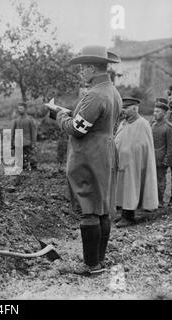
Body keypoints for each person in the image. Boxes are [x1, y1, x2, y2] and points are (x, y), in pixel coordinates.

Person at [47, 45, 122, 275]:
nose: (81, 73)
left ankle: (91, 265)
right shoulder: (112, 92)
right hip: (105, 152)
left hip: (89, 156)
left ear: (91, 68)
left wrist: (59, 115)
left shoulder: (94, 95)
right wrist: (71, 113)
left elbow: (77, 129)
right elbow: (94, 121)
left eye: (82, 69)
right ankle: (99, 260)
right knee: (101, 208)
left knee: (88, 208)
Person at [114, 98, 158, 227]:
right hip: (122, 163)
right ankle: (124, 214)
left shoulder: (142, 124)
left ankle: (128, 216)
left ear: (134, 108)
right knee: (122, 188)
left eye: (125, 108)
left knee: (130, 188)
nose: (122, 111)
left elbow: (142, 146)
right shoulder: (124, 123)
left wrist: (129, 154)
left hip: (134, 164)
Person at [151, 98, 172, 207]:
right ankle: (152, 201)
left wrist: (167, 161)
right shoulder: (153, 125)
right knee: (151, 181)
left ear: (164, 113)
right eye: (155, 111)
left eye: (158, 111)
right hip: (151, 158)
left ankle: (160, 202)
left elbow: (171, 147)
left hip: (161, 160)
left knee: (160, 181)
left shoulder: (168, 127)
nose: (155, 113)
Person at [11, 102, 37, 171]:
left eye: (21, 108)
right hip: (18, 142)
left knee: (31, 158)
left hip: (27, 142)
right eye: (19, 108)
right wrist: (12, 143)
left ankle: (34, 171)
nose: (20, 110)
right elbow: (12, 132)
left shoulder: (29, 119)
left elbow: (33, 132)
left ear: (25, 109)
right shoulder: (16, 120)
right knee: (19, 159)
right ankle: (23, 171)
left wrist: (33, 143)